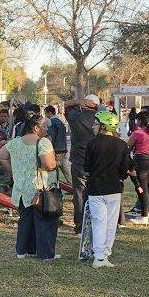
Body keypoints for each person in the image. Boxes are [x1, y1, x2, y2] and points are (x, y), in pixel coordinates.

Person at [0, 113, 61, 261]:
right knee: (44, 221)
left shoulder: (16, 142)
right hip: (40, 188)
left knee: (25, 220)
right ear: (36, 127)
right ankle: (45, 254)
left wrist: (14, 171)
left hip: (21, 188)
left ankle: (22, 251)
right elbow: (49, 165)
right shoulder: (43, 142)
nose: (47, 129)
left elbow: (1, 155)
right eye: (44, 126)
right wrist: (56, 162)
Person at [83, 110, 132, 268]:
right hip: (114, 189)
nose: (93, 126)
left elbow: (87, 167)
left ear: (103, 126)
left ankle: (98, 256)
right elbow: (125, 170)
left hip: (96, 189)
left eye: (96, 123)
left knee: (99, 222)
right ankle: (105, 254)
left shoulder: (92, 144)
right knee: (111, 223)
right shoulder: (122, 145)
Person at [64, 94, 100, 234]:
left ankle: (79, 225)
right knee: (97, 193)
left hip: (79, 161)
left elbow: (66, 105)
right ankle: (96, 222)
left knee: (78, 193)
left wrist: (78, 102)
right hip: (96, 161)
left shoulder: (76, 117)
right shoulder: (100, 118)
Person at [126, 111, 149, 225]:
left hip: (141, 161)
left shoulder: (137, 133)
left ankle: (144, 216)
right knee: (146, 187)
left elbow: (127, 147)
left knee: (141, 188)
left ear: (139, 121)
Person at [44, 105, 71, 186]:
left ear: (49, 113)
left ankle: (54, 186)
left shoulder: (51, 122)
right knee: (66, 170)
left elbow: (51, 137)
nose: (45, 115)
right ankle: (73, 186)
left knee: (53, 170)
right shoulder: (60, 121)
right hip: (64, 148)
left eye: (46, 113)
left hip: (57, 149)